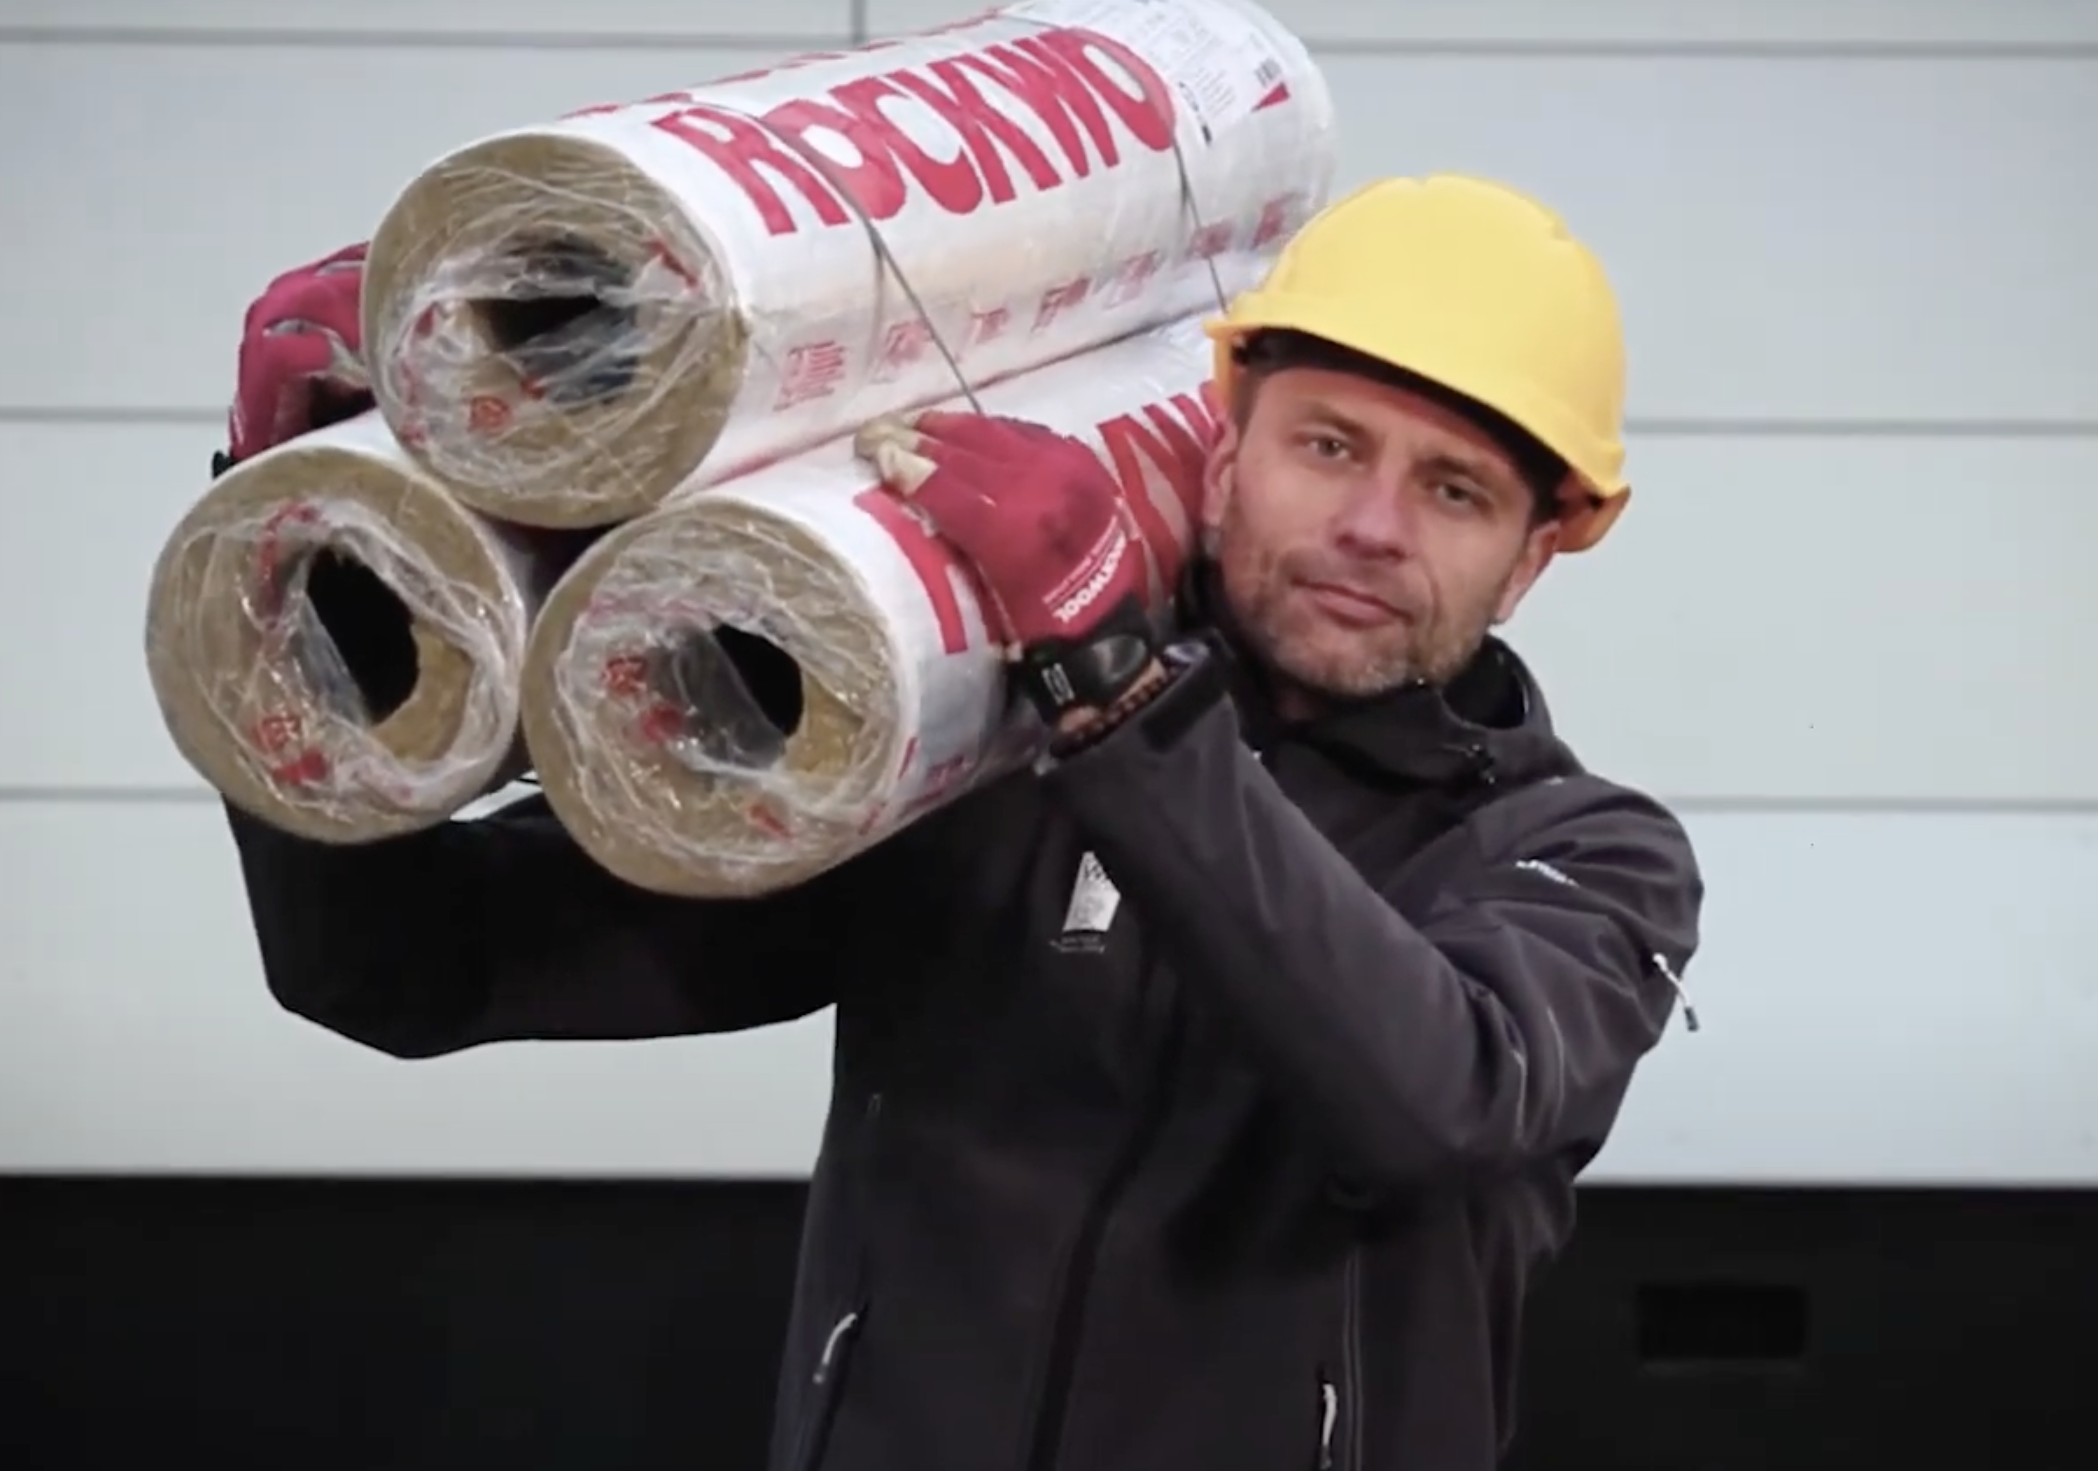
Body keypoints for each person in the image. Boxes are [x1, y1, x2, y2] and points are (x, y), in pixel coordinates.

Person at [218, 173, 1704, 1471]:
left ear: (1534, 555)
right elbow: (409, 968)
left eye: (1454, 491)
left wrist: (1120, 698)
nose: (1373, 526)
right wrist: (298, 580)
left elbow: (1431, 1109)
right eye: (1328, 447)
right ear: (1224, 453)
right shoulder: (976, 757)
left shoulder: (1584, 858)